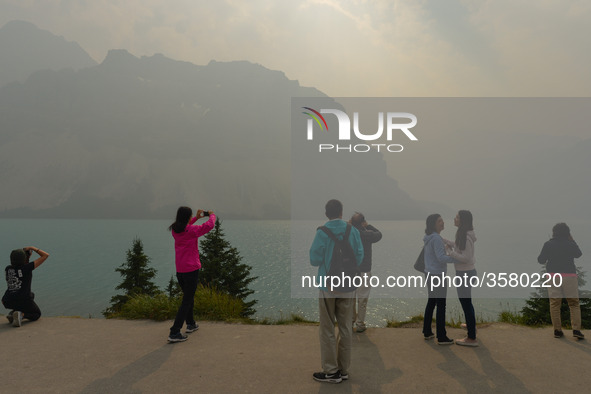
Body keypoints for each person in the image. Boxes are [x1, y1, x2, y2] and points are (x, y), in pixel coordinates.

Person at [310, 199, 363, 383]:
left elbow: (314, 259)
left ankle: (331, 372)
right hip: (348, 285)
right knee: (346, 327)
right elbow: (359, 255)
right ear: (341, 212)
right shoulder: (352, 230)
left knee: (327, 329)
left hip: (328, 285)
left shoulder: (322, 232)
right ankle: (343, 369)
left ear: (327, 213)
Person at [167, 206, 216, 343]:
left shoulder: (175, 230)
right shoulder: (191, 230)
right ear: (187, 218)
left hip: (180, 270)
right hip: (191, 270)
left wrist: (196, 218)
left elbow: (186, 226)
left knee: (188, 297)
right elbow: (209, 226)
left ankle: (191, 324)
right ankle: (174, 332)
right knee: (187, 301)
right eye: (190, 216)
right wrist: (211, 215)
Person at [537, 223, 584, 340]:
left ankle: (557, 330)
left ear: (554, 232)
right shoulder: (570, 244)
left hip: (553, 276)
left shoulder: (548, 244)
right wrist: (572, 240)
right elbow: (578, 254)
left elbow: (541, 260)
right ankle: (576, 330)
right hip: (569, 276)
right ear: (568, 233)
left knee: (554, 303)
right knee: (573, 303)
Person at [443, 210, 478, 346]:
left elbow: (466, 257)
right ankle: (471, 327)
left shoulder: (466, 236)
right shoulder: (463, 234)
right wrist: (445, 241)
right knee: (467, 303)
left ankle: (471, 338)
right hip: (467, 273)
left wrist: (450, 252)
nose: (454, 218)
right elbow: (458, 245)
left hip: (465, 274)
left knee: (466, 304)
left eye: (457, 217)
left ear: (462, 220)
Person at [422, 214, 457, 345]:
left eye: (442, 220)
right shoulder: (436, 238)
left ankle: (427, 331)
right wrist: (456, 258)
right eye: (439, 221)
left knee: (431, 301)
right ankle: (441, 336)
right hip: (438, 275)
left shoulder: (429, 238)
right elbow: (441, 257)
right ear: (433, 224)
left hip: (429, 274)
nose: (442, 222)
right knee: (441, 304)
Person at [350, 212, 382, 333]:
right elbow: (379, 234)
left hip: (350, 271)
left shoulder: (349, 233)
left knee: (351, 298)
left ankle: (350, 321)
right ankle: (360, 323)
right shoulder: (367, 234)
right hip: (364, 270)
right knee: (362, 298)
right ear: (363, 222)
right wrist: (368, 226)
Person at [2, 247, 50, 327]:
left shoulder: (8, 269)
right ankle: (21, 315)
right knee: (36, 314)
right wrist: (33, 248)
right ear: (24, 259)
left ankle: (13, 313)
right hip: (23, 299)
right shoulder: (26, 268)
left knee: (32, 294)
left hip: (7, 301)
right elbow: (45, 255)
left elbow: (20, 268)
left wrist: (26, 256)